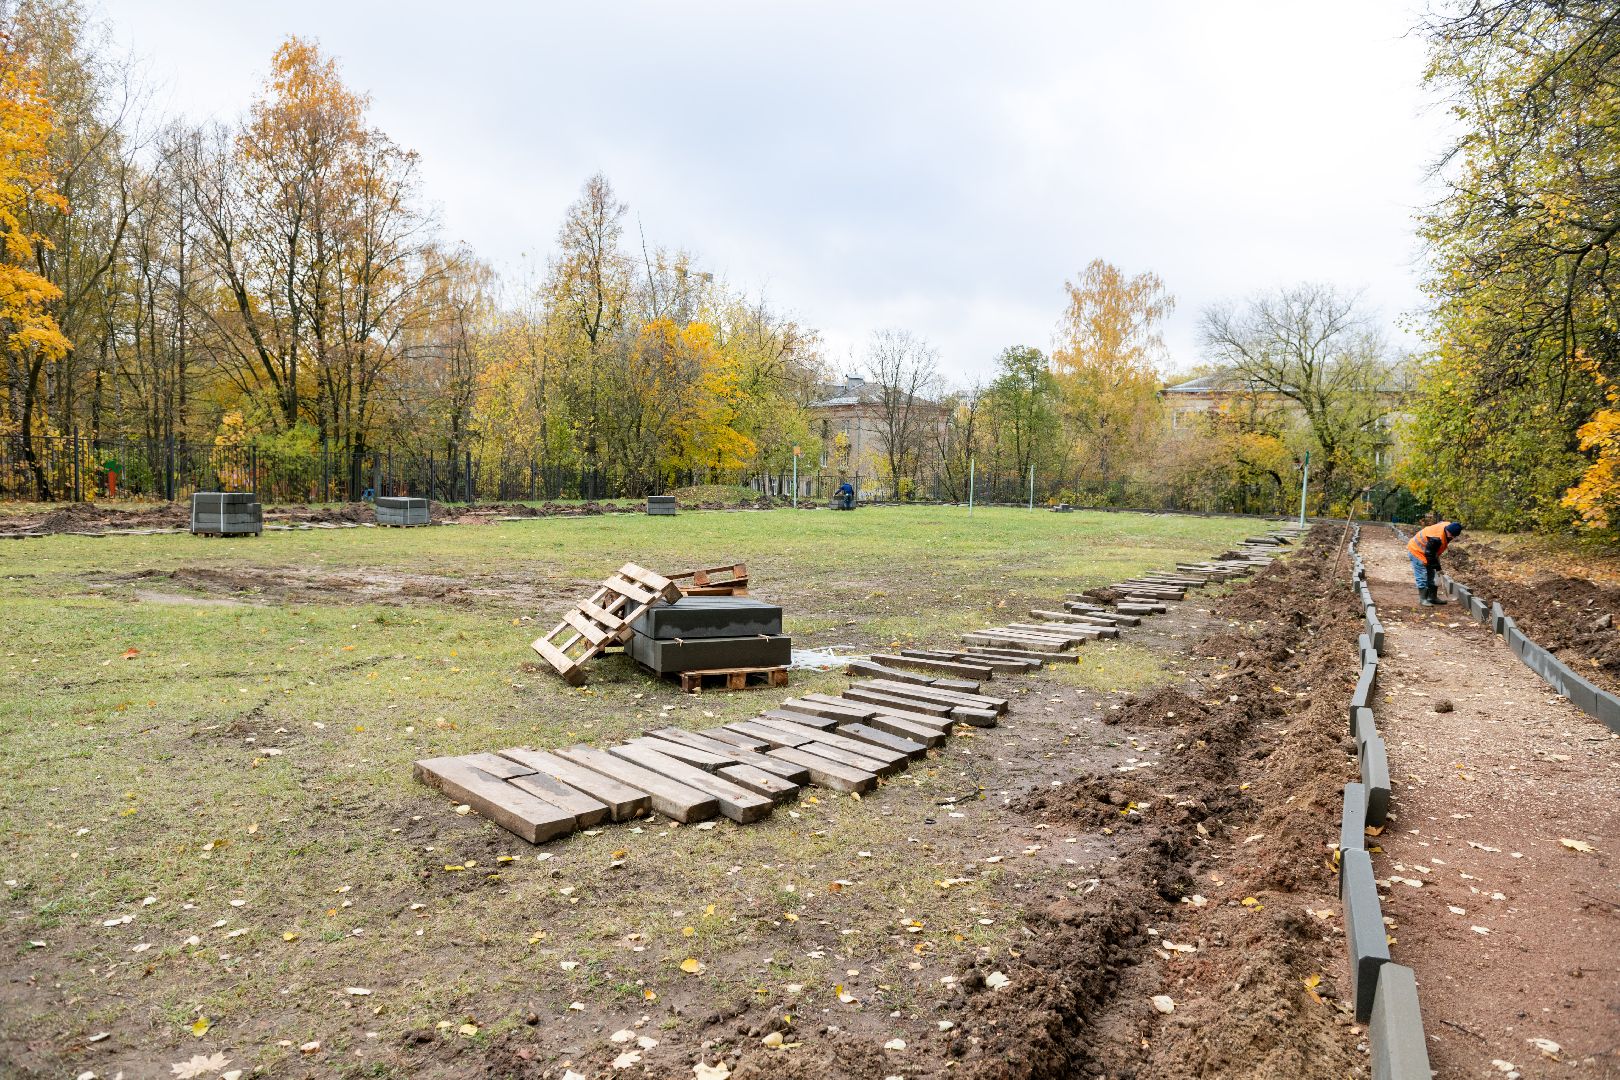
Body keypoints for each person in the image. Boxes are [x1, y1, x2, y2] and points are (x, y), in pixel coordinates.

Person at [1407, 520, 1463, 607]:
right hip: (1417, 551)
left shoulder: (1448, 526)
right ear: (1447, 530)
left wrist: (1436, 568)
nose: (1451, 537)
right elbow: (1430, 555)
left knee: (1432, 575)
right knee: (1422, 575)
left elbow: (1433, 553)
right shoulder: (1436, 538)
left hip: (1428, 551)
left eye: (1453, 536)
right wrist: (1438, 568)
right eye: (1450, 534)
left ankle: (1432, 597)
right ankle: (1423, 599)